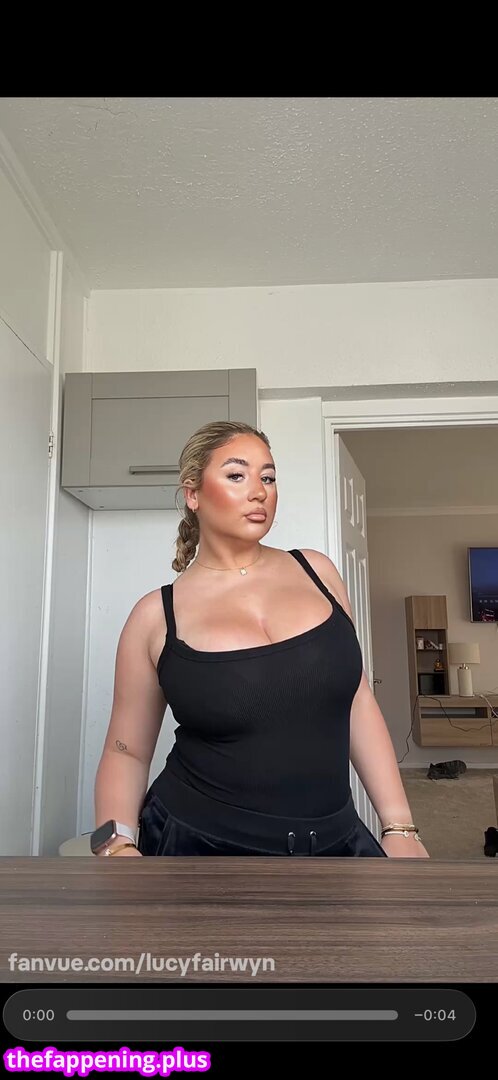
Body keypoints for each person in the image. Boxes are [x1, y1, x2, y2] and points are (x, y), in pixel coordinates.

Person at [93, 420, 429, 859]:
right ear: (193, 494)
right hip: (197, 845)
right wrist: (116, 846)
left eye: (268, 477)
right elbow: (126, 752)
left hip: (336, 839)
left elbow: (357, 700)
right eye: (237, 475)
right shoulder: (156, 616)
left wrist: (400, 826)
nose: (259, 492)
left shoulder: (318, 572)